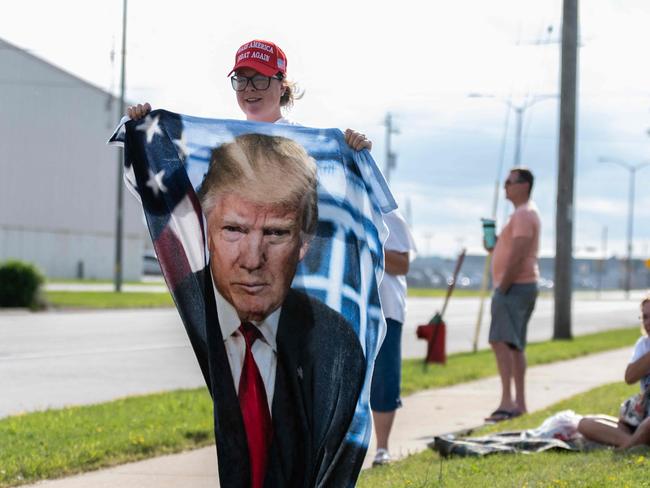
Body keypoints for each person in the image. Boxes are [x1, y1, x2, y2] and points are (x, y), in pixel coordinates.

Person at [197, 133, 366, 487]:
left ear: (304, 242)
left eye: (275, 233)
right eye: (233, 230)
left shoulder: (335, 344)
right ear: (203, 231)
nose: (252, 259)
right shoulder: (189, 307)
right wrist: (141, 132)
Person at [127, 39, 371, 150]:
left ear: (282, 86)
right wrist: (141, 126)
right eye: (242, 80)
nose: (250, 88)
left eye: (260, 79)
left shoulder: (309, 143)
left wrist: (356, 153)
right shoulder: (223, 143)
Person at [484, 168, 540, 422]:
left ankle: (507, 402)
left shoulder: (524, 214)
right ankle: (520, 403)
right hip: (519, 286)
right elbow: (510, 249)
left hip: (514, 287)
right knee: (514, 344)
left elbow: (518, 255)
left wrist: (502, 287)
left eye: (510, 181)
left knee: (502, 342)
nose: (505, 185)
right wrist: (494, 245)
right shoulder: (520, 215)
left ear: (524, 185)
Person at [370, 210, 416, 466]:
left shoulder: (390, 216)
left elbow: (402, 264)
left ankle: (382, 448)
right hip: (351, 309)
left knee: (384, 380)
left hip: (387, 309)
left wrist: (368, 244)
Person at [578, 297, 650, 448]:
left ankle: (627, 446)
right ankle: (633, 443)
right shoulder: (643, 345)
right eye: (644, 317)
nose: (648, 322)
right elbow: (630, 377)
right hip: (640, 416)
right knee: (585, 423)